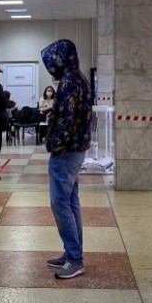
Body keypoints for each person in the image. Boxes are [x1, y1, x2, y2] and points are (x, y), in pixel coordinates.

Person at [41, 39, 92, 279]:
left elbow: (67, 120)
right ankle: (72, 252)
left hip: (66, 151)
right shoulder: (78, 77)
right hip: (76, 149)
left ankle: (75, 259)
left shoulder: (70, 81)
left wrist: (55, 144)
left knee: (60, 203)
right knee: (71, 203)